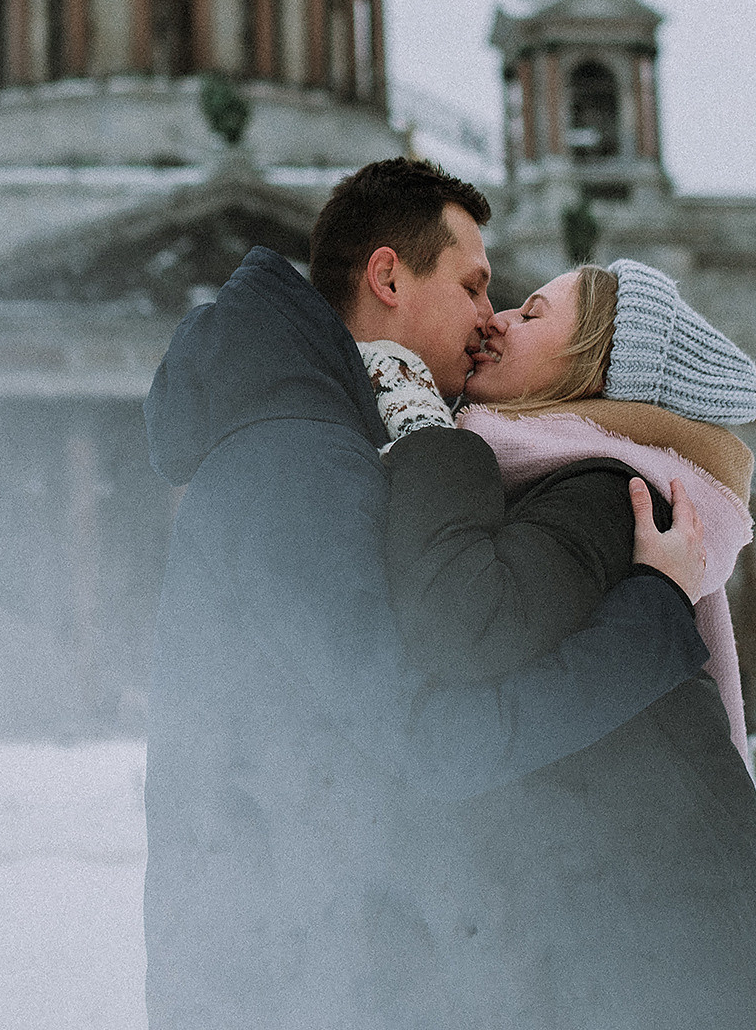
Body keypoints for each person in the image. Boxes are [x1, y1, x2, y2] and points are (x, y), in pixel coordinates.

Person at [141, 160, 716, 1030]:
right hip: (296, 982)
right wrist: (652, 618)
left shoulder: (324, 432)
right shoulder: (296, 461)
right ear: (388, 277)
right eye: (476, 286)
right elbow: (433, 742)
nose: (490, 320)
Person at [369, 260, 756, 1028]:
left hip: (643, 962)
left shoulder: (606, 494)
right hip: (641, 947)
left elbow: (468, 636)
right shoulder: (578, 488)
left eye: (532, 314)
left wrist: (426, 433)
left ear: (597, 367)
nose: (495, 318)